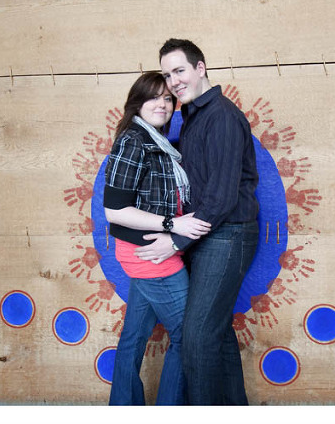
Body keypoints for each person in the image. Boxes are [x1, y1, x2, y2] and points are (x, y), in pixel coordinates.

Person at [135, 39, 260, 405]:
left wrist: (175, 241)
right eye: (167, 74)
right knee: (217, 335)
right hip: (210, 235)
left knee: (198, 339)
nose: (173, 81)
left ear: (200, 68)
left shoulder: (221, 116)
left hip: (228, 235)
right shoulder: (193, 116)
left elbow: (221, 199)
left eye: (180, 70)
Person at [104, 72, 212, 405]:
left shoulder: (157, 143)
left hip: (148, 251)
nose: (162, 104)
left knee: (134, 337)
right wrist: (173, 224)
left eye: (167, 98)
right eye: (153, 97)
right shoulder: (133, 141)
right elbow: (114, 210)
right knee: (186, 338)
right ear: (137, 103)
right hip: (151, 254)